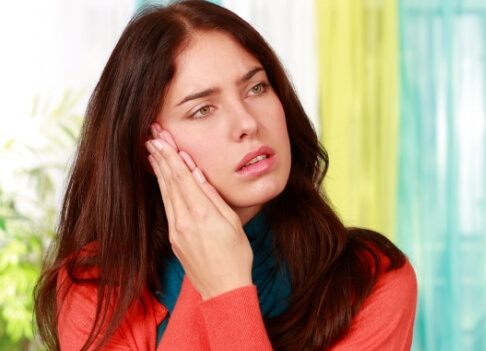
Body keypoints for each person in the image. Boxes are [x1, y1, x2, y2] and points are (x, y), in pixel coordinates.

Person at [34, 1, 417, 350]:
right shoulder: (95, 287)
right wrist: (213, 282)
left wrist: (227, 289)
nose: (248, 123)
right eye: (203, 109)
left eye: (256, 87)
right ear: (150, 149)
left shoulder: (372, 278)